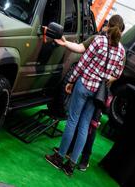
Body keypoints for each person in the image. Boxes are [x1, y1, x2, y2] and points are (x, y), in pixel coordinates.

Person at [45, 15, 126, 176]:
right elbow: (117, 74)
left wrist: (72, 80)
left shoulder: (98, 41)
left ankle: (59, 157)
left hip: (84, 85)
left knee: (72, 121)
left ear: (108, 25)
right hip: (98, 93)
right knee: (84, 126)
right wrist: (105, 79)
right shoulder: (122, 51)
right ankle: (71, 165)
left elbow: (83, 62)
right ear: (121, 29)